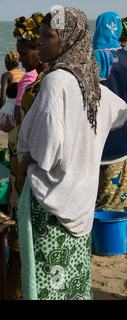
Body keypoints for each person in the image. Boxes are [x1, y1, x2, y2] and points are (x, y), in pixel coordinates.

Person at [16, 7, 127, 300]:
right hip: (81, 203)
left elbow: (46, 152)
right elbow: (118, 112)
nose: (38, 42)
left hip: (50, 202)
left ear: (66, 39)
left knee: (47, 286)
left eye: (46, 36)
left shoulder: (56, 81)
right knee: (74, 285)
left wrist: (27, 158)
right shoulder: (88, 80)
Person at [6, 12, 47, 300]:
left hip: (34, 167)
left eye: (25, 54)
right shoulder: (36, 83)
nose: (21, 60)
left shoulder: (48, 84)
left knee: (27, 238)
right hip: (23, 166)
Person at [93, 12, 127, 213]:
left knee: (91, 200)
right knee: (117, 202)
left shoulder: (84, 60)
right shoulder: (125, 59)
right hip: (121, 140)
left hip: (90, 143)